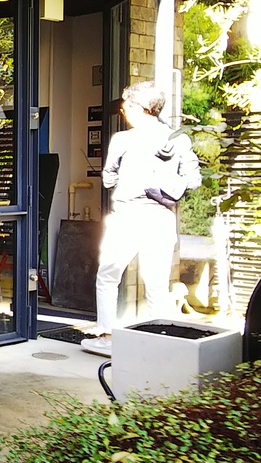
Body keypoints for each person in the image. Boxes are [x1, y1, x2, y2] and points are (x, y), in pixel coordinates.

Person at [81, 81, 201, 356]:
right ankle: (159, 346)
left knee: (108, 277)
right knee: (156, 284)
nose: (124, 112)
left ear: (138, 108)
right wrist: (165, 185)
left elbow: (109, 179)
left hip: (128, 217)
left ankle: (107, 338)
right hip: (161, 218)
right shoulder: (178, 139)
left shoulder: (123, 140)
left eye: (125, 107)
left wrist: (131, 179)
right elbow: (193, 180)